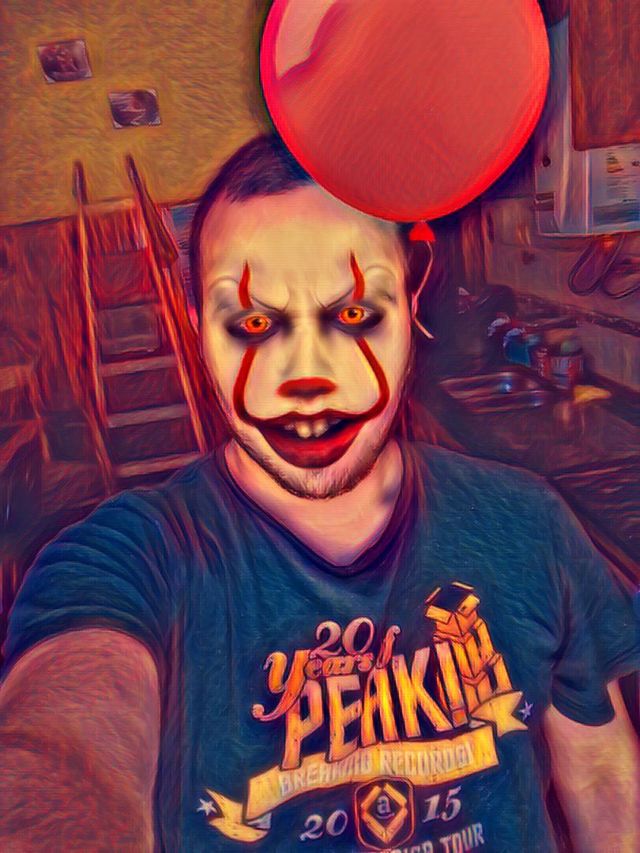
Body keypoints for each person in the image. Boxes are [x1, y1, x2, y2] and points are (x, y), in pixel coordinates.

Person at [1, 134, 638, 852]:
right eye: (253, 323)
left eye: (355, 314)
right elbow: (62, 754)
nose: (307, 378)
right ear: (197, 329)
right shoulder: (128, 561)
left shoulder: (529, 523)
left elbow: (602, 775)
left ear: (411, 298)